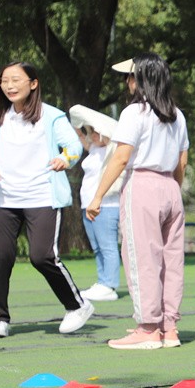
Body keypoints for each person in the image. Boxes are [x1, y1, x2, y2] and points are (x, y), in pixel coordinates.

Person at [0, 61, 92, 338]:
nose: (10, 86)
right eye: (4, 81)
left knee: (42, 256)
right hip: (3, 199)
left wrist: (65, 159)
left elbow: (73, 146)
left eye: (16, 80)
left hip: (41, 196)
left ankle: (77, 305)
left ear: (33, 83)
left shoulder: (51, 116)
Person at [87, 53, 189, 350]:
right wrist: (173, 190)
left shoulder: (134, 112)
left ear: (140, 79)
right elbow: (182, 161)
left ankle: (147, 328)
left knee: (142, 258)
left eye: (129, 77)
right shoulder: (177, 115)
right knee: (171, 260)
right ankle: (169, 327)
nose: (127, 82)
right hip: (171, 186)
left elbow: (121, 157)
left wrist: (98, 195)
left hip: (143, 184)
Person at [70, 105, 123, 302]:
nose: (91, 135)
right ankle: (102, 282)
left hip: (106, 205)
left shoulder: (112, 148)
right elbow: (79, 134)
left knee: (107, 246)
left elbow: (109, 128)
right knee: (97, 247)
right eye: (90, 132)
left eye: (95, 132)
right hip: (88, 204)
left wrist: (92, 120)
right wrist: (77, 123)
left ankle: (110, 285)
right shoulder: (93, 149)